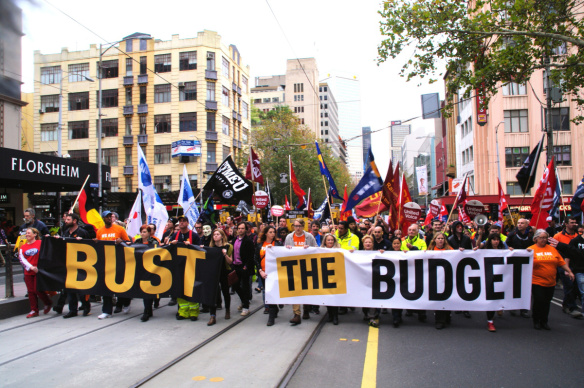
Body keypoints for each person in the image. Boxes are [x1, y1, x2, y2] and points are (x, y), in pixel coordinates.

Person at [529, 229, 574, 330]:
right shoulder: (531, 249)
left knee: (546, 302)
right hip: (537, 281)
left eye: (545, 238)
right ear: (535, 239)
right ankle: (536, 320)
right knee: (539, 300)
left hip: (551, 282)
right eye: (541, 238)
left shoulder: (552, 249)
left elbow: (561, 262)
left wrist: (569, 271)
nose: (544, 240)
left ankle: (544, 321)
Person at [95, 211, 131, 319]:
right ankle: (106, 311)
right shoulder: (100, 231)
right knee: (105, 287)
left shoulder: (120, 229)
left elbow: (128, 243)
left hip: (119, 261)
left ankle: (126, 301)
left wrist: (122, 241)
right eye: (107, 217)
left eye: (111, 216)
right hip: (106, 262)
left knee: (120, 284)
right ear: (103, 219)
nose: (110, 218)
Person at [285, 219, 318, 325]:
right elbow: (284, 251)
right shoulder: (289, 237)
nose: (297, 228)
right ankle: (297, 314)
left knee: (306, 290)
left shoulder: (309, 237)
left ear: (303, 226)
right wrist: (287, 249)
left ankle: (306, 309)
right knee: (295, 290)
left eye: (299, 226)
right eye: (295, 226)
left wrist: (310, 248)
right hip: (294, 267)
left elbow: (316, 249)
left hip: (307, 266)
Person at [58, 213, 90, 318]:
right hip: (69, 264)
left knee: (81, 289)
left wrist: (82, 242)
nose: (65, 221)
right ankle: (73, 310)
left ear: (74, 221)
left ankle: (85, 306)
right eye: (65, 219)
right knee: (70, 288)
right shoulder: (66, 232)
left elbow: (90, 246)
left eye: (68, 219)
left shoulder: (82, 232)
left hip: (81, 264)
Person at [548, 216, 581, 318]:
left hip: (576, 264)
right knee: (568, 285)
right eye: (571, 222)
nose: (574, 224)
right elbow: (552, 249)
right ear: (566, 224)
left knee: (574, 286)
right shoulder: (558, 236)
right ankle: (571, 306)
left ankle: (566, 303)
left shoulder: (578, 236)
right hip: (562, 263)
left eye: (575, 222)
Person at [171, 215, 202, 321]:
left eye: (184, 221)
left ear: (188, 223)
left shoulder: (194, 235)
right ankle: (183, 312)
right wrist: (171, 244)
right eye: (180, 221)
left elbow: (200, 249)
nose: (181, 223)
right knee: (180, 289)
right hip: (178, 267)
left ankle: (194, 312)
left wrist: (191, 245)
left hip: (191, 266)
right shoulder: (175, 235)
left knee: (192, 289)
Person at [478, 234, 511, 332]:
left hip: (500, 278)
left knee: (497, 297)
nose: (496, 242)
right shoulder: (484, 250)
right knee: (490, 298)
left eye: (497, 240)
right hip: (488, 277)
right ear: (490, 241)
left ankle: (497, 311)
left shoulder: (503, 250)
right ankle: (490, 321)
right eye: (494, 240)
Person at [19, 227, 52, 318]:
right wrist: (31, 267)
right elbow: (22, 259)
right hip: (28, 271)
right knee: (30, 291)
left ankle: (47, 302)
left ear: (35, 234)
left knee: (37, 289)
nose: (27, 234)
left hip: (39, 271)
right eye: (26, 233)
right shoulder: (23, 247)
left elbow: (47, 253)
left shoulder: (40, 243)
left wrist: (41, 266)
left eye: (29, 233)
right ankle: (34, 310)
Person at [506, 218, 534, 318]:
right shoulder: (512, 234)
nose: (520, 225)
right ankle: (512, 306)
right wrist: (508, 248)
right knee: (514, 286)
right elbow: (506, 244)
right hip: (514, 263)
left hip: (527, 265)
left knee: (526, 287)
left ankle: (524, 308)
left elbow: (535, 245)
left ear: (527, 225)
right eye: (518, 223)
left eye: (522, 223)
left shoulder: (531, 235)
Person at [131, 225, 160, 322]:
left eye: (144, 232)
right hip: (140, 269)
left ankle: (147, 310)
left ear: (149, 233)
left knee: (148, 290)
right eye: (141, 232)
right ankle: (148, 309)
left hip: (151, 269)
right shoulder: (137, 242)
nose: (143, 234)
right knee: (144, 290)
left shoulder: (154, 242)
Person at [255, 226, 282, 326]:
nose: (272, 234)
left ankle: (273, 312)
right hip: (264, 274)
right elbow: (256, 259)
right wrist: (260, 271)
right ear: (266, 233)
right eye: (270, 232)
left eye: (274, 232)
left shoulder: (278, 244)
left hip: (275, 273)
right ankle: (272, 312)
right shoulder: (259, 245)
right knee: (268, 293)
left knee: (274, 293)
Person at [426, 232, 454, 329]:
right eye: (439, 238)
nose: (441, 240)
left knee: (447, 298)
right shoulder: (430, 250)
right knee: (439, 299)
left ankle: (447, 315)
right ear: (434, 240)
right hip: (435, 278)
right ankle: (439, 320)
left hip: (447, 278)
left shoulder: (449, 249)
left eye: (442, 238)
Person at [209, 229, 233, 325]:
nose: (215, 236)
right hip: (214, 273)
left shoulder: (228, 246)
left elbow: (230, 261)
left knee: (225, 292)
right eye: (214, 234)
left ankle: (227, 310)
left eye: (217, 234)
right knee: (213, 294)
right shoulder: (211, 248)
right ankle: (212, 315)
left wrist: (225, 254)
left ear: (222, 236)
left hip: (224, 272)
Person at [232, 222, 255, 316]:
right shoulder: (234, 240)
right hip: (235, 266)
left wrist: (246, 266)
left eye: (242, 228)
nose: (240, 230)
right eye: (239, 228)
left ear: (245, 230)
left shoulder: (248, 241)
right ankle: (244, 301)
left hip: (244, 267)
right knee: (235, 286)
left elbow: (251, 255)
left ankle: (246, 307)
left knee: (245, 287)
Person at [362, 235, 384, 327]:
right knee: (364, 299)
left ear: (372, 244)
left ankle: (372, 316)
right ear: (363, 244)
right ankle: (367, 313)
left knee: (373, 297)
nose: (368, 244)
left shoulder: (377, 253)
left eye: (369, 242)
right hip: (363, 280)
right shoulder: (358, 254)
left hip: (375, 279)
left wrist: (383, 253)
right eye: (366, 242)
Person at [320, 233, 341, 325]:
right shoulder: (320, 250)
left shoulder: (338, 250)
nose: (330, 241)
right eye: (328, 240)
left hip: (335, 276)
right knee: (327, 296)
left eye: (332, 240)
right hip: (325, 276)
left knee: (334, 297)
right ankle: (330, 315)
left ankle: (335, 316)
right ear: (325, 241)